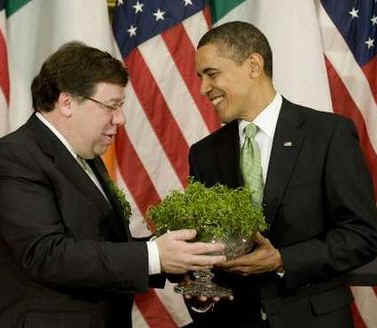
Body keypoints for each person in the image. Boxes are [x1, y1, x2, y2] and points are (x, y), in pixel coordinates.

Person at [0, 41, 226, 328]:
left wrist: (174, 257)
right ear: (66, 102)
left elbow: (100, 245)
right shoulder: (14, 157)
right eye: (112, 106)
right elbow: (47, 254)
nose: (120, 119)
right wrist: (154, 256)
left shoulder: (86, 155)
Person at [186, 21, 377, 328]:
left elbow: (362, 235)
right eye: (200, 77)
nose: (203, 88)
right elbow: (204, 245)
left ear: (253, 65)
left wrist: (283, 260)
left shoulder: (328, 135)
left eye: (211, 74)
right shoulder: (204, 153)